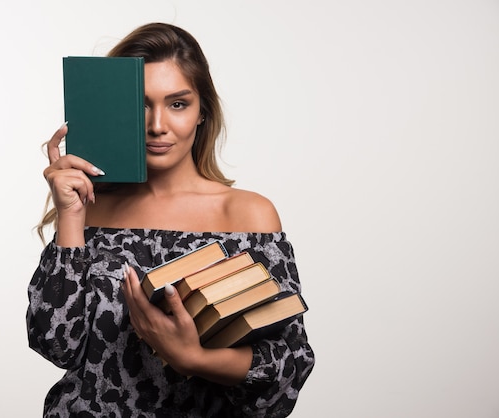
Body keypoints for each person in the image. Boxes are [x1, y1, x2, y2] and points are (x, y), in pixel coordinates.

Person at [26, 22, 314, 417]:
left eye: (178, 104)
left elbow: (287, 365)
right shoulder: (88, 207)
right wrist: (71, 216)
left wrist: (191, 357)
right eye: (140, 105)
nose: (157, 125)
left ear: (201, 112)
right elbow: (55, 344)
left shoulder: (247, 215)